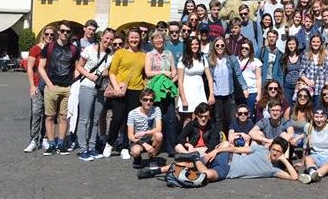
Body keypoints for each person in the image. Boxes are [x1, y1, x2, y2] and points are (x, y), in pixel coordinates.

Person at [142, 136, 297, 183]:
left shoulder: (274, 170)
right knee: (194, 167)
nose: (274, 153)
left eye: (278, 152)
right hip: (226, 157)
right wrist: (215, 151)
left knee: (203, 174)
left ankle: (155, 171)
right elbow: (235, 149)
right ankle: (195, 158)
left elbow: (294, 177)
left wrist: (284, 160)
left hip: (226, 171)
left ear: (282, 153)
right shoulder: (261, 149)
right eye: (274, 149)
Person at [38, 21, 80, 155]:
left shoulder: (73, 49)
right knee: (49, 117)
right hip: (52, 86)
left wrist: (73, 82)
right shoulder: (49, 47)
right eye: (62, 31)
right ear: (58, 31)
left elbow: (77, 68)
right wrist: (48, 83)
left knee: (64, 117)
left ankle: (61, 144)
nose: (65, 33)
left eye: (67, 31)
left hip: (67, 88)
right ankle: (51, 144)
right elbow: (41, 67)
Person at [104, 28, 147, 159]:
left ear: (140, 39)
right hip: (121, 90)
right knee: (117, 118)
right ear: (128, 39)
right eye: (132, 37)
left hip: (136, 90)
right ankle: (109, 143)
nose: (134, 40)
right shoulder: (120, 53)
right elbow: (112, 72)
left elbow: (144, 74)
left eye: (136, 37)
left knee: (130, 121)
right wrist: (116, 87)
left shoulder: (143, 55)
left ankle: (125, 146)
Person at [76, 28, 113, 161]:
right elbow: (79, 66)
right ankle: (82, 149)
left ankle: (92, 147)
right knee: (84, 119)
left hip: (101, 88)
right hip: (87, 85)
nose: (108, 41)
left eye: (111, 39)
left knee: (96, 120)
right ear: (101, 37)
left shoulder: (111, 54)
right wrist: (89, 75)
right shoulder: (89, 49)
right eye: (106, 38)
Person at [144, 29, 178, 156]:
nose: (159, 40)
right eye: (156, 38)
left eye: (161, 38)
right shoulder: (149, 55)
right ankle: (156, 146)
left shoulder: (169, 54)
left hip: (167, 90)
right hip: (154, 91)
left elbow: (174, 71)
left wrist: (171, 81)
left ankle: (171, 147)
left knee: (171, 119)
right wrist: (163, 72)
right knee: (156, 118)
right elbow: (148, 73)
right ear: (152, 41)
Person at [23, 27, 55, 153]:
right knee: (36, 113)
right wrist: (32, 85)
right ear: (43, 34)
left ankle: (45, 138)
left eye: (52, 34)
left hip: (51, 85)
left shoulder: (55, 49)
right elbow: (30, 68)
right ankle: (33, 140)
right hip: (37, 85)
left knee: (49, 114)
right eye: (47, 34)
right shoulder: (36, 48)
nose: (49, 36)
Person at [177, 36, 215, 127]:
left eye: (196, 44)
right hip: (187, 93)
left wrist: (211, 94)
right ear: (188, 46)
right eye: (192, 44)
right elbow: (180, 81)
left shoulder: (203, 58)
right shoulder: (182, 59)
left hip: (199, 93)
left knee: (200, 117)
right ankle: (185, 136)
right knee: (188, 120)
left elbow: (209, 77)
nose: (195, 46)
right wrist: (183, 99)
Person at [299, 107, 328, 184]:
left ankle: (311, 176)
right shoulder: (308, 127)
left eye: (321, 117)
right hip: (315, 156)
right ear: (313, 117)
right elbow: (305, 146)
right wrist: (303, 162)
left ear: (326, 117)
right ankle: (313, 173)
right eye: (316, 117)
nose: (319, 120)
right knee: (308, 158)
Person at [126, 88, 163, 168]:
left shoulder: (156, 109)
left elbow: (159, 128)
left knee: (159, 135)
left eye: (151, 100)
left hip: (150, 138)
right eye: (145, 100)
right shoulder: (132, 113)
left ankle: (152, 157)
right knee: (136, 151)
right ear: (141, 100)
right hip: (138, 140)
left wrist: (145, 133)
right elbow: (130, 136)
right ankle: (137, 158)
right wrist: (144, 144)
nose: (148, 102)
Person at [208, 36, 236, 135]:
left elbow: (238, 74)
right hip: (216, 94)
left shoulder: (231, 59)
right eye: (217, 45)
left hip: (229, 93)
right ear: (214, 47)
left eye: (222, 45)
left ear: (225, 46)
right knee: (218, 118)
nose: (220, 47)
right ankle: (219, 137)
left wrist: (244, 88)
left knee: (230, 118)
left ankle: (231, 137)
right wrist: (211, 94)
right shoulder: (210, 60)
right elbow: (209, 78)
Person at [298, 34, 328, 107]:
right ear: (310, 43)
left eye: (318, 42)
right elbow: (301, 72)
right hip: (308, 90)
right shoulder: (306, 56)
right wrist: (307, 81)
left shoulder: (326, 57)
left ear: (321, 43)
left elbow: (327, 73)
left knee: (318, 110)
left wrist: (326, 86)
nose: (316, 44)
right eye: (313, 42)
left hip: (320, 89)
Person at [237, 39, 262, 119]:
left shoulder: (256, 61)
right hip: (240, 92)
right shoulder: (236, 60)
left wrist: (259, 94)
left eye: (246, 48)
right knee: (240, 114)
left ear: (250, 49)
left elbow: (258, 78)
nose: (244, 50)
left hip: (252, 92)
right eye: (242, 48)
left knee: (250, 115)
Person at [281, 36, 302, 105]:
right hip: (288, 86)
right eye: (289, 44)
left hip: (298, 85)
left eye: (293, 44)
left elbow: (303, 71)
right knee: (288, 105)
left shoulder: (301, 56)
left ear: (296, 45)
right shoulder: (284, 57)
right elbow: (282, 72)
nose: (291, 46)